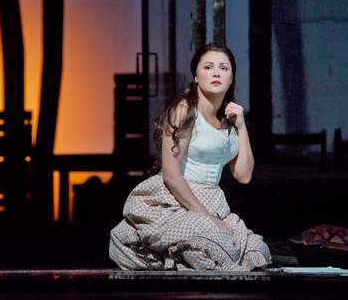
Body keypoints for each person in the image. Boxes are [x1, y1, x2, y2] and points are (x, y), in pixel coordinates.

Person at [109, 43, 272, 271]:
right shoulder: (185, 110)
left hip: (214, 201)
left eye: (223, 68)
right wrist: (206, 218)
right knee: (210, 248)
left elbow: (243, 175)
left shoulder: (229, 119)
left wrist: (241, 126)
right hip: (177, 198)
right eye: (208, 67)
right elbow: (171, 175)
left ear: (231, 78)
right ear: (195, 76)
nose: (216, 73)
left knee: (256, 250)